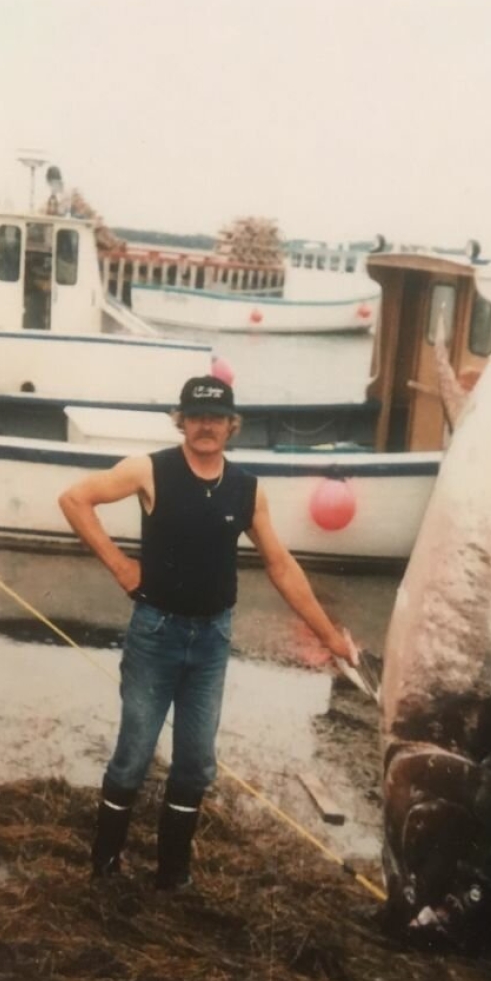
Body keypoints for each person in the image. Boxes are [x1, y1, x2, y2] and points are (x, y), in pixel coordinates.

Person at [59, 375, 358, 890]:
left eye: (216, 418)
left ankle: (172, 876)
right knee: (133, 754)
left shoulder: (246, 489)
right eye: (196, 416)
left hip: (212, 641)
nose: (205, 426)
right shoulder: (150, 470)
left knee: (196, 764)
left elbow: (281, 566)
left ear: (231, 425)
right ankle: (104, 869)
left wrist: (330, 636)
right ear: (182, 419)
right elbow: (74, 499)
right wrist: (121, 566)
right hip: (156, 633)